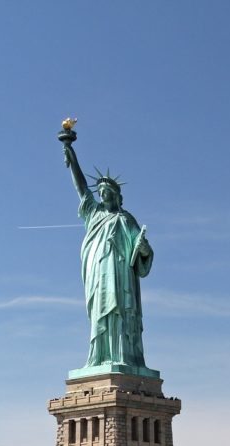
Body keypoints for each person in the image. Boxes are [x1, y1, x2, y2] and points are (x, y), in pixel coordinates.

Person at [61, 138, 153, 371]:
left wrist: (142, 248)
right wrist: (72, 158)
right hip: (98, 273)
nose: (102, 196)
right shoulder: (94, 214)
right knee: (100, 312)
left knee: (119, 312)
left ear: (115, 195)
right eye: (100, 193)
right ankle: (99, 357)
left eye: (106, 193)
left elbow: (143, 251)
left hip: (120, 276)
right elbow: (81, 188)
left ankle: (123, 356)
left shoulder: (125, 219)